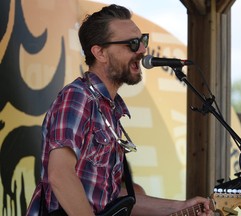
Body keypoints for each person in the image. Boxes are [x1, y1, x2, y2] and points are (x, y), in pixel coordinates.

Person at [26, 4, 212, 216]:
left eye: (143, 40)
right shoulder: (78, 97)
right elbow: (60, 174)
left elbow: (108, 198)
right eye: (133, 44)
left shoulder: (109, 111)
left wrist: (180, 207)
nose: (142, 50)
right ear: (100, 53)